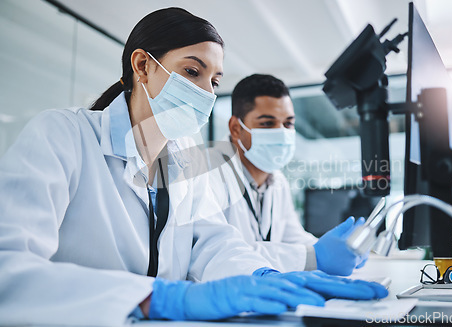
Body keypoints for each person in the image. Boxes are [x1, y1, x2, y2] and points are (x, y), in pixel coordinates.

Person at [0, 8, 388, 326]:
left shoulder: (184, 156)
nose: (206, 92)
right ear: (142, 65)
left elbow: (211, 241)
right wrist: (158, 298)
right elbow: (8, 267)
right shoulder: (64, 135)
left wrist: (260, 275)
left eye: (215, 80)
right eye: (191, 72)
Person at [210, 74, 369, 274]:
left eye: (288, 124)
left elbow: (292, 237)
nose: (282, 132)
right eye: (267, 124)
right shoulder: (209, 174)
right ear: (235, 128)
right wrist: (315, 257)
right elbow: (221, 252)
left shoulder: (278, 181)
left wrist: (333, 248)